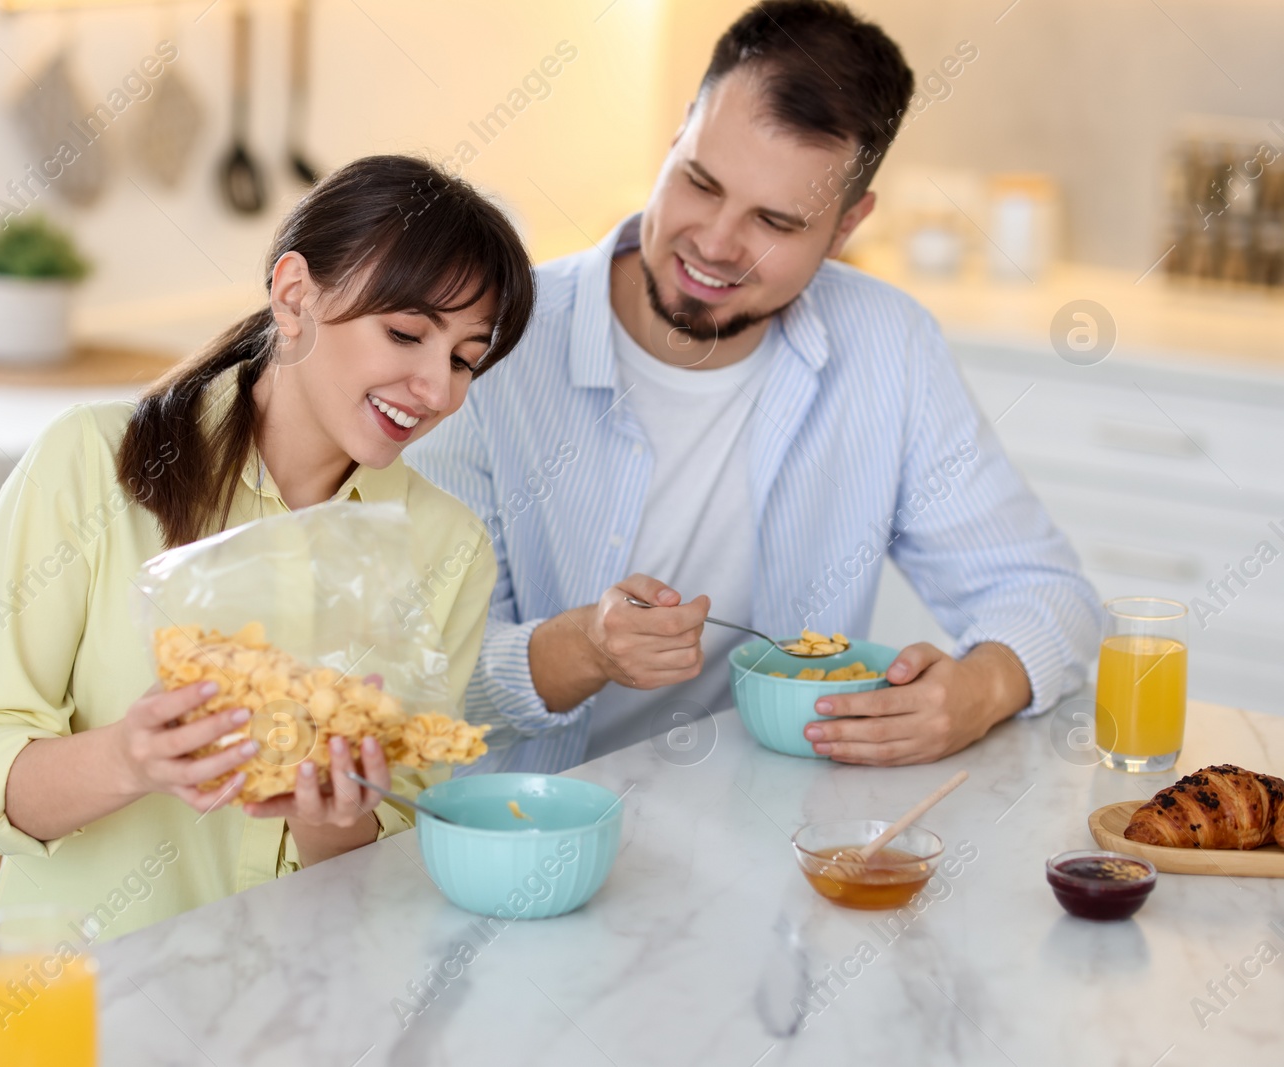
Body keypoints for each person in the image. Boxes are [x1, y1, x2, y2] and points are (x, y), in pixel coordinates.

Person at [406, 0, 1102, 772]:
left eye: (775, 221)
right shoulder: (490, 344)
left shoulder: (887, 346)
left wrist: (978, 689)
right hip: (522, 840)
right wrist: (584, 648)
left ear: (845, 229)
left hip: (768, 832)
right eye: (700, 183)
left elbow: (1047, 593)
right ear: (676, 139)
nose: (714, 242)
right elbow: (417, 676)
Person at [0, 155, 534, 961]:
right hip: (78, 1005)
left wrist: (332, 819)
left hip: (298, 1006)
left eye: (466, 358)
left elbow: (398, 846)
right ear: (295, 297)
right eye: (405, 334)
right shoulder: (90, 463)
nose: (436, 387)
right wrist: (128, 756)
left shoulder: (447, 547)